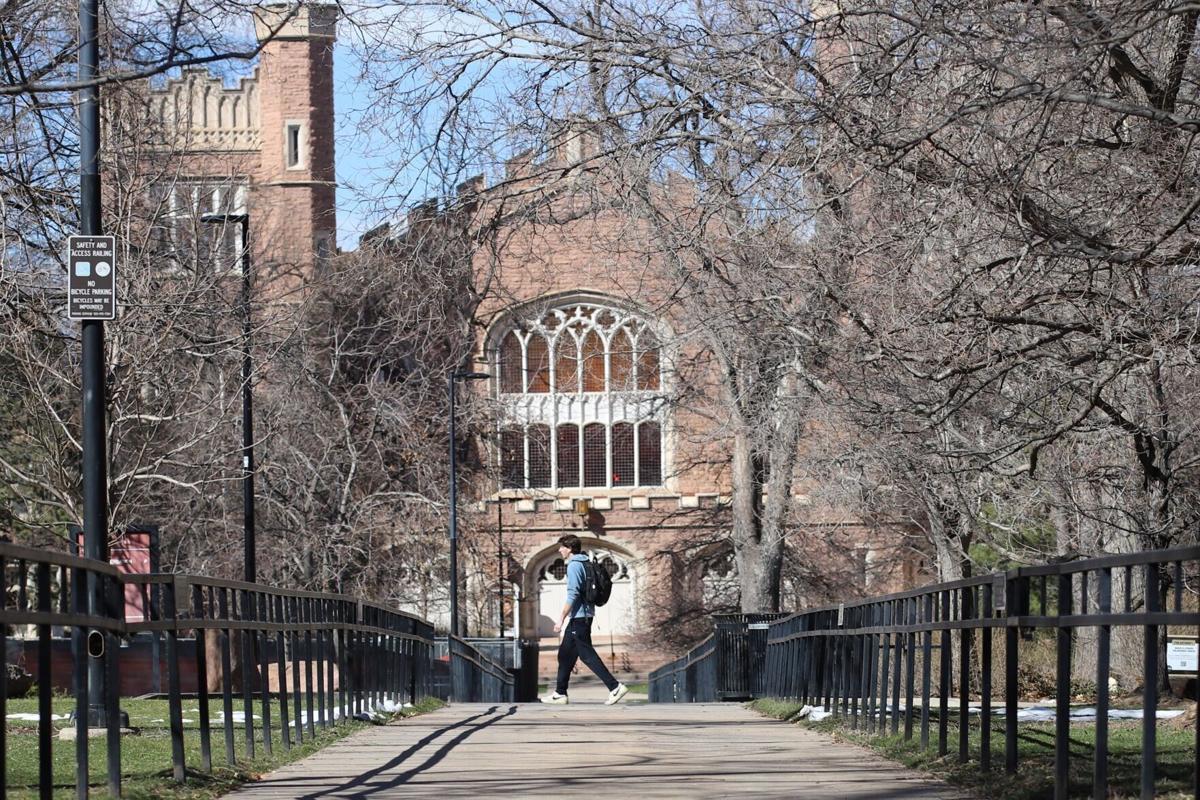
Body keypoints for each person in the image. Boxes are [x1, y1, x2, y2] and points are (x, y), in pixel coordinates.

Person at [540, 534, 629, 705]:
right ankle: (560, 693)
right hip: (585, 616)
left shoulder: (574, 566)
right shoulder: (586, 562)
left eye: (562, 547)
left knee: (587, 655)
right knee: (565, 655)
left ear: (570, 549)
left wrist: (560, 619)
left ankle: (615, 687)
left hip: (579, 618)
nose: (559, 550)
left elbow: (573, 594)